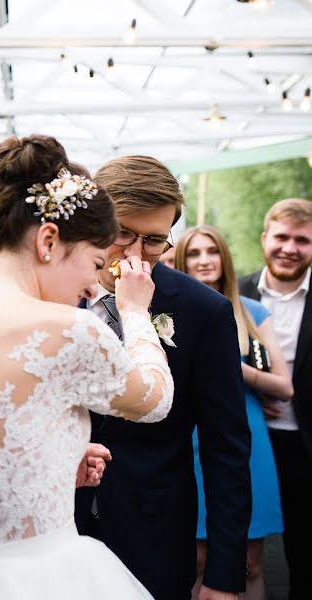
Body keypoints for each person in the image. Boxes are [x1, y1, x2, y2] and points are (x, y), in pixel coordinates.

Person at [0, 134, 173, 599]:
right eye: (95, 262)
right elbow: (155, 400)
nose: (90, 287)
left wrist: (47, 466)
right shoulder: (68, 330)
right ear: (48, 240)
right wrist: (138, 314)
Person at [75, 155, 252, 600]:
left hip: (154, 534)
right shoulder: (50, 298)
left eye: (154, 241)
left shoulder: (202, 311)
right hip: (54, 529)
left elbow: (225, 448)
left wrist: (222, 573)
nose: (136, 255)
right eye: (123, 235)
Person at [175, 225, 292, 600]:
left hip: (248, 438)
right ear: (181, 260)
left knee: (251, 561)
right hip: (187, 438)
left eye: (211, 251)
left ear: (224, 258)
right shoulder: (168, 311)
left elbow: (285, 387)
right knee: (196, 558)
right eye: (194, 253)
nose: (204, 260)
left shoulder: (253, 312)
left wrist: (232, 367)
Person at [239, 198, 312, 600]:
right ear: (265, 238)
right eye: (282, 236)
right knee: (250, 553)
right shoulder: (238, 293)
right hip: (253, 440)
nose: (290, 247)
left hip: (305, 443)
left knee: (304, 552)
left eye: (302, 240)